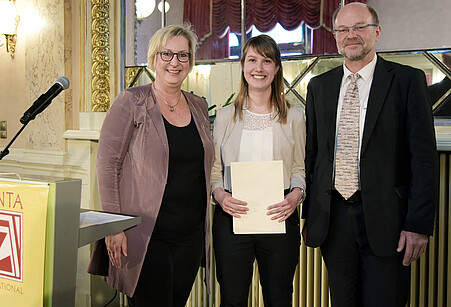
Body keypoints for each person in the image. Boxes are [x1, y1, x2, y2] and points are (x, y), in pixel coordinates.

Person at [302, 3, 438, 307]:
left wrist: (418, 224)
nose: (351, 35)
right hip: (333, 221)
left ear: (376, 31)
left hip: (388, 220)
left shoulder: (407, 81)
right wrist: (310, 212)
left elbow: (424, 160)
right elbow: (313, 157)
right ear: (335, 37)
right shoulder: (319, 87)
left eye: (359, 27)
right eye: (343, 29)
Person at [87, 24, 215, 306]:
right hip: (145, 234)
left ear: (191, 62)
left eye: (183, 55)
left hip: (190, 235)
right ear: (154, 58)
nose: (175, 62)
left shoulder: (198, 106)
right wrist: (113, 226)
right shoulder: (131, 101)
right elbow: (108, 165)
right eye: (167, 53)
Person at [211, 34, 306, 307]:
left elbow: (300, 168)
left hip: (279, 216)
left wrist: (296, 195)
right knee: (232, 299)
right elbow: (214, 169)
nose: (259, 68)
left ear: (277, 68)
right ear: (242, 66)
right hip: (231, 218)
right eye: (252, 60)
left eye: (266, 61)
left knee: (278, 298)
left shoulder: (295, 117)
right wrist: (219, 196)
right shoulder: (226, 116)